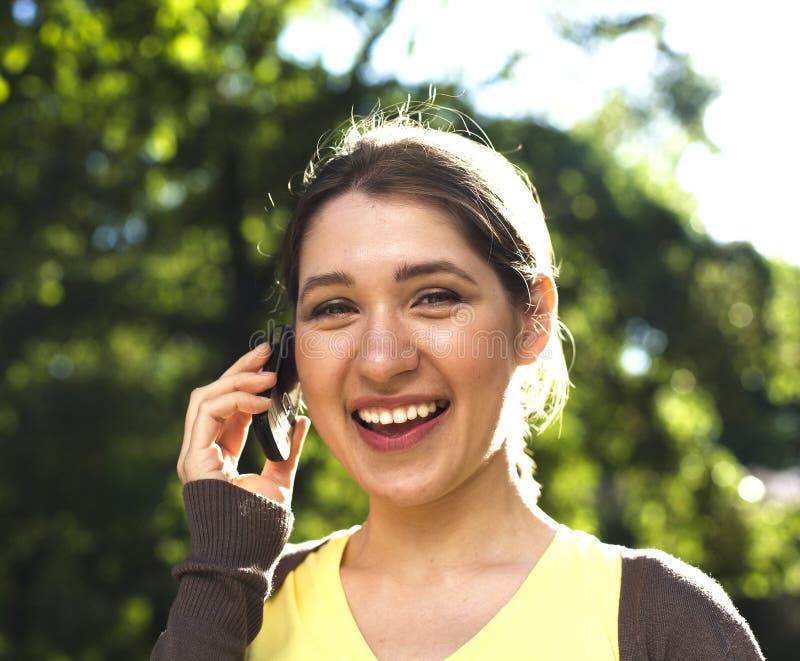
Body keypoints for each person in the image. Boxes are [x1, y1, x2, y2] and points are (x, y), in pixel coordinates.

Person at [152, 105, 764, 660]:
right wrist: (223, 569)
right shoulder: (235, 606)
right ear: (287, 358)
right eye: (335, 308)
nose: (381, 361)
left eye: (435, 297)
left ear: (533, 321)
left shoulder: (664, 625)